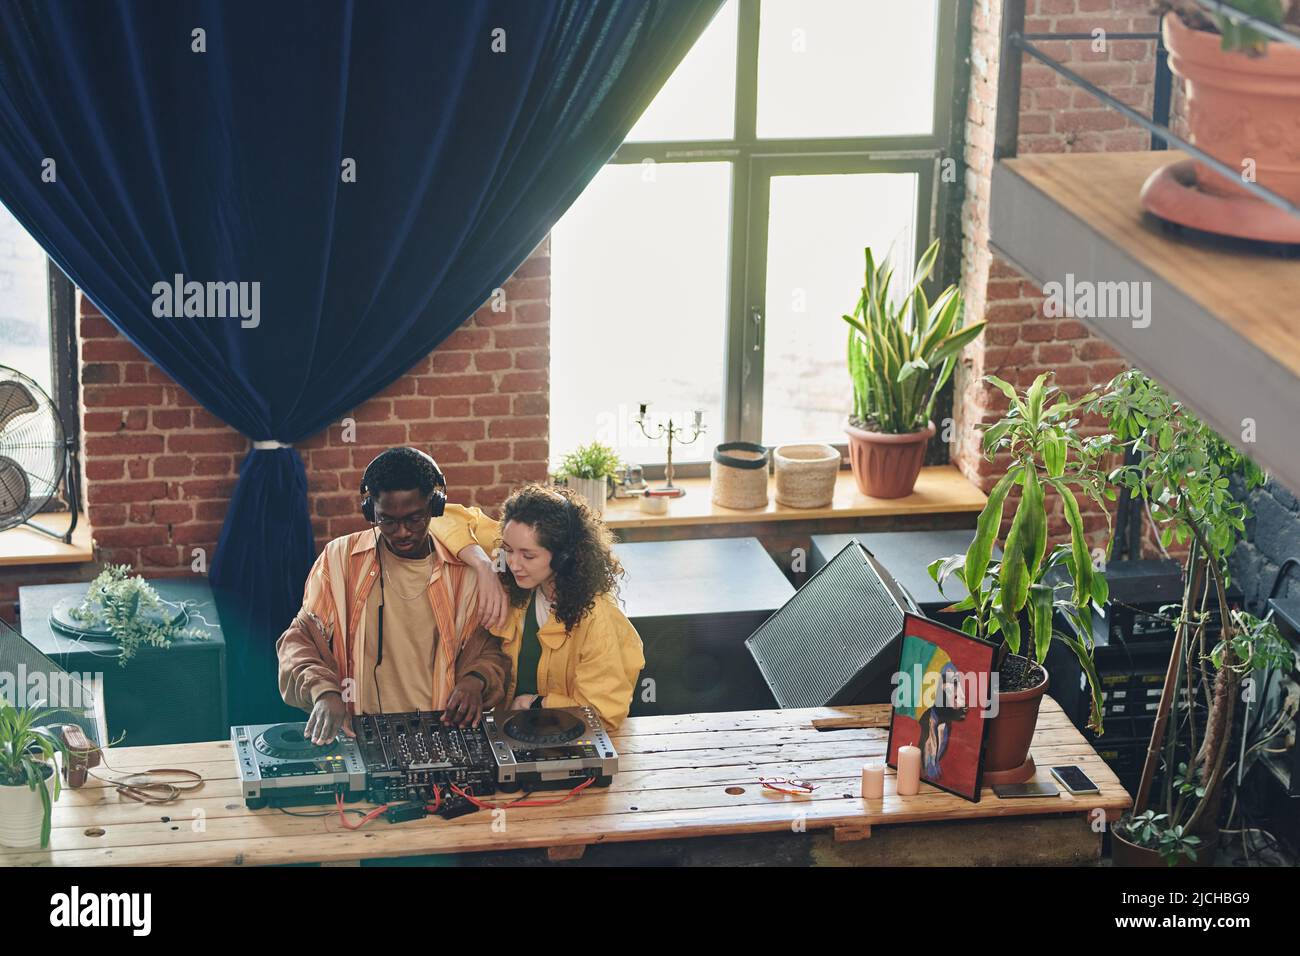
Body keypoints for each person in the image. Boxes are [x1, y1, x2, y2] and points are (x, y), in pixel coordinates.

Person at [277, 447, 511, 744]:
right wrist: (324, 691)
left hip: (442, 732)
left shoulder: (465, 573)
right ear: (370, 511)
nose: (402, 532)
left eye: (414, 519)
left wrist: (475, 679)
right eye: (387, 520)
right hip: (362, 733)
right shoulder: (340, 559)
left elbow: (493, 649)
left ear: (435, 507)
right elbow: (299, 640)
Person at [430, 483, 644, 730]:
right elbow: (438, 516)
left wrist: (537, 704)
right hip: (508, 733)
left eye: (528, 556)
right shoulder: (517, 561)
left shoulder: (599, 620)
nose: (513, 564)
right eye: (508, 550)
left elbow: (602, 714)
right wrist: (483, 566)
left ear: (563, 556)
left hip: (558, 742)